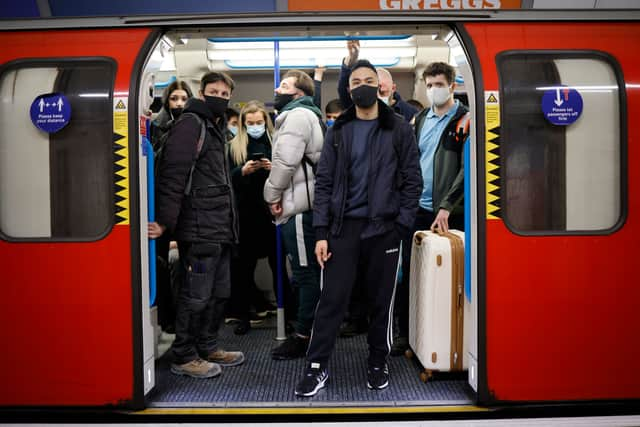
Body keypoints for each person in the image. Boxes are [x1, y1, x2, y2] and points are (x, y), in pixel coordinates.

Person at [294, 59, 422, 397]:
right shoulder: (338, 130)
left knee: (381, 303)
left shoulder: (399, 129)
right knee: (332, 301)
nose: (362, 85)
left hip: (384, 230)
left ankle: (378, 361)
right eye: (355, 81)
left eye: (368, 79)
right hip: (342, 229)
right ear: (348, 89)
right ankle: (316, 367)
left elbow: (413, 181)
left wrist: (401, 225)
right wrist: (321, 232)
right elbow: (323, 184)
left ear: (380, 86)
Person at [148, 71, 244, 379]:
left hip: (219, 228)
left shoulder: (213, 127)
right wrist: (165, 222)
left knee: (220, 293)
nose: (220, 97)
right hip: (199, 227)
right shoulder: (191, 124)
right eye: (214, 91)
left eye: (225, 94)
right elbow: (173, 175)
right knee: (196, 295)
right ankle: (185, 354)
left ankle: (207, 345)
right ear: (202, 94)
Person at [391, 61, 469, 357]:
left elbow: (465, 169)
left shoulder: (465, 120)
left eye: (439, 84)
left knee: (446, 275)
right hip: (416, 207)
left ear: (452, 85)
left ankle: (442, 336)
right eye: (430, 84)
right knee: (409, 274)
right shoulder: (421, 119)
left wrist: (448, 206)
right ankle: (407, 333)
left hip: (446, 211)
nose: (434, 89)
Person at [263, 69, 324, 360]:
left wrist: (271, 195)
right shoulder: (304, 115)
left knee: (305, 274)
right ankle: (309, 330)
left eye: (284, 85)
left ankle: (303, 336)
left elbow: (285, 162)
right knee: (305, 274)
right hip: (301, 205)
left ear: (298, 93)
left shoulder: (297, 116)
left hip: (300, 209)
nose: (278, 89)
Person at [226, 100, 294, 335]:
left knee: (279, 269)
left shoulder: (276, 144)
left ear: (266, 121)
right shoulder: (233, 147)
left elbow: (289, 175)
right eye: (250, 123)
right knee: (243, 271)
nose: (255, 126)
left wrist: (272, 168)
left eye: (259, 122)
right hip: (246, 216)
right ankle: (242, 316)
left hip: (272, 214)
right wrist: (242, 172)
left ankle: (289, 317)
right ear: (244, 124)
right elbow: (227, 180)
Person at [150, 80, 193, 334]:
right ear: (167, 101)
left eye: (183, 99)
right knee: (162, 265)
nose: (178, 103)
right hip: (163, 206)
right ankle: (169, 320)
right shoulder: (156, 130)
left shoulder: (193, 128)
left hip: (188, 208)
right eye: (174, 98)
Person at [338, 40, 418, 122]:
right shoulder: (361, 107)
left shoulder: (409, 112)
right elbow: (344, 91)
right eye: (376, 91)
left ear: (393, 88)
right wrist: (352, 59)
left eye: (383, 93)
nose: (379, 97)